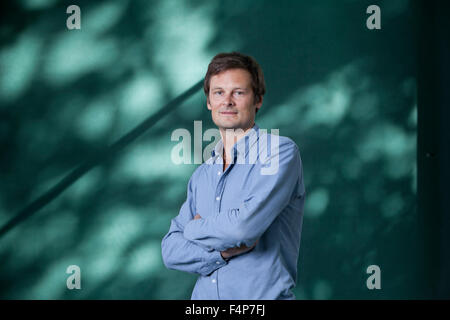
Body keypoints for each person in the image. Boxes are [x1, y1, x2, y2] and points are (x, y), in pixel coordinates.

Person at [161, 52, 305, 299]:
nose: (227, 101)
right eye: (218, 92)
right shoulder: (202, 176)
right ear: (208, 102)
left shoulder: (279, 153)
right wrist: (220, 253)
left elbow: (243, 229)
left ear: (257, 99)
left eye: (238, 92)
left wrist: (193, 228)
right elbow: (170, 251)